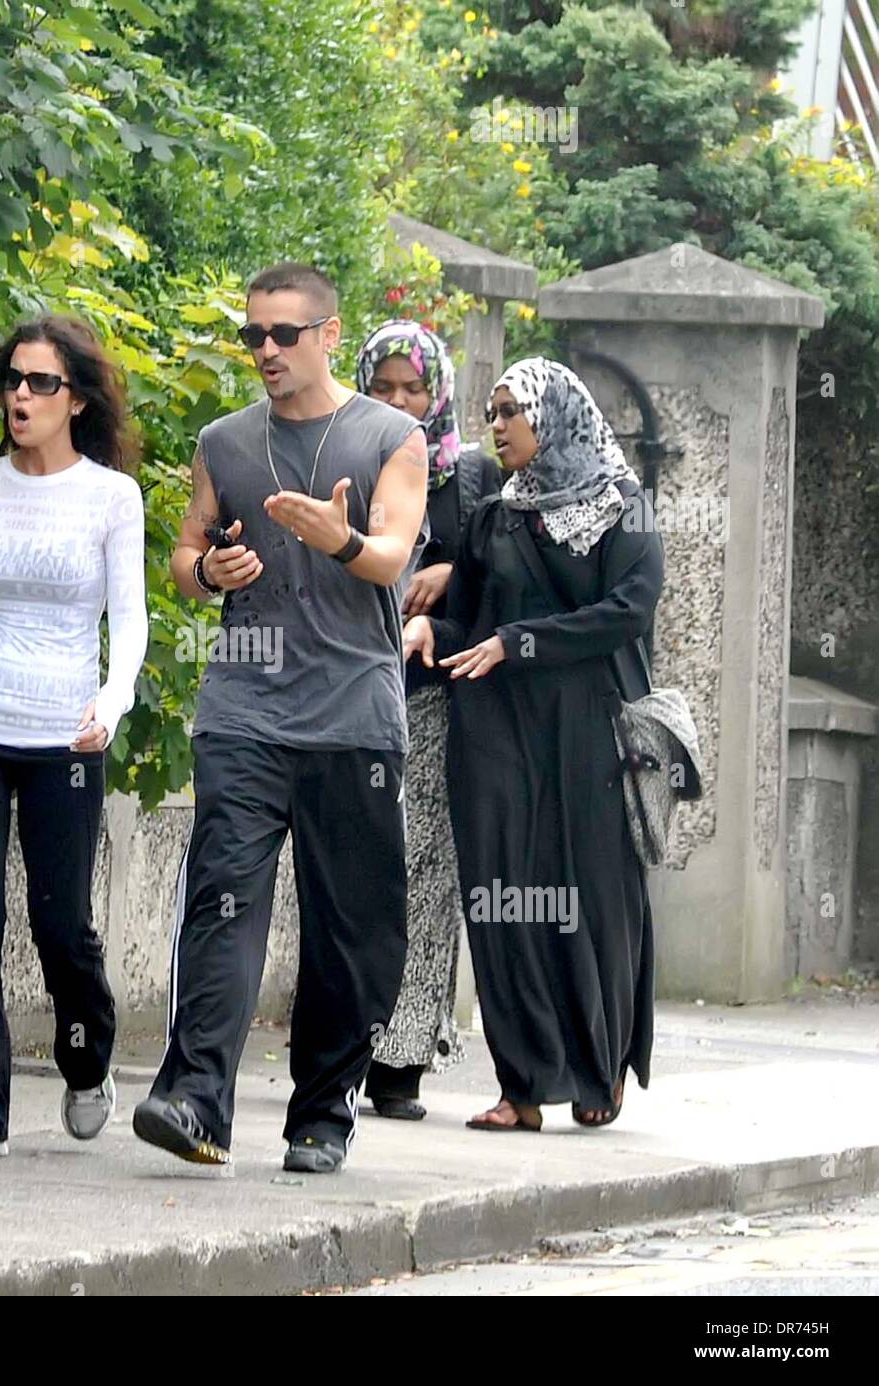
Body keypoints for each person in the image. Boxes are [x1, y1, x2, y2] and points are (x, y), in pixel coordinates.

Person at [132, 262, 429, 1173]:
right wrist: (204, 574)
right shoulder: (224, 440)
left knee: (349, 928)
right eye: (253, 335)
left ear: (330, 335)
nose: (265, 350)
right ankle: (194, 1100)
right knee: (223, 903)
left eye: (283, 335)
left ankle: (322, 1115)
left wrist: (333, 536)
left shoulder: (392, 435)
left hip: (351, 718)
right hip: (245, 711)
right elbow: (184, 553)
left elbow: (388, 556)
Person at [403, 358, 663, 1133]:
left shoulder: (626, 508)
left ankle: (596, 1066)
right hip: (493, 729)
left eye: (512, 411)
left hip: (587, 728)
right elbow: (475, 627)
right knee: (500, 895)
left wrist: (522, 643)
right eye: (492, 411)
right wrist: (428, 629)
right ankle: (522, 1085)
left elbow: (628, 611)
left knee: (590, 897)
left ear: (554, 416)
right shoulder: (495, 516)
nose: (498, 425)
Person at [0, 314, 148, 1160]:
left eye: (41, 383)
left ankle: (85, 1054)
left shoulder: (109, 496)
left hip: (68, 735)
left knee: (60, 922)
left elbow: (127, 621)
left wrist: (112, 701)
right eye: (12, 380)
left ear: (77, 399)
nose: (21, 395)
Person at [355, 320, 500, 1120]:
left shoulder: (471, 482)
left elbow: (500, 597)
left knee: (426, 876)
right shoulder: (343, 456)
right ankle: (346, 1038)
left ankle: (402, 1058)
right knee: (354, 871)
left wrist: (449, 582)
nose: (402, 403)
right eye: (386, 389)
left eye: (415, 389)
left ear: (438, 392)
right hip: (347, 694)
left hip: (436, 698)